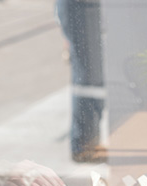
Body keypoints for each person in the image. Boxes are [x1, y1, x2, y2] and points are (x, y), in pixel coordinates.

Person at [56, 0, 106, 163]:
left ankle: (86, 142)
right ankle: (84, 145)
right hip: (81, 5)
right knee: (88, 79)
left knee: (90, 77)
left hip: (83, 6)